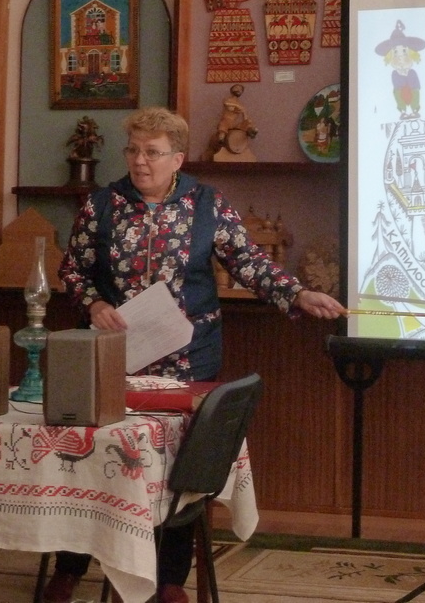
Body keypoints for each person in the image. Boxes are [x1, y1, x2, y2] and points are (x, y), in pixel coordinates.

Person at [47, 106, 345, 603]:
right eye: (133, 150)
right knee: (93, 460)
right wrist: (95, 303)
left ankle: (169, 580)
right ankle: (71, 566)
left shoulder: (206, 204)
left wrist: (296, 293)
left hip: (189, 359)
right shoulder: (101, 205)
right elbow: (72, 270)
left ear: (178, 158)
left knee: (180, 469)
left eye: (153, 152)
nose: (140, 161)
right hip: (113, 358)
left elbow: (249, 262)